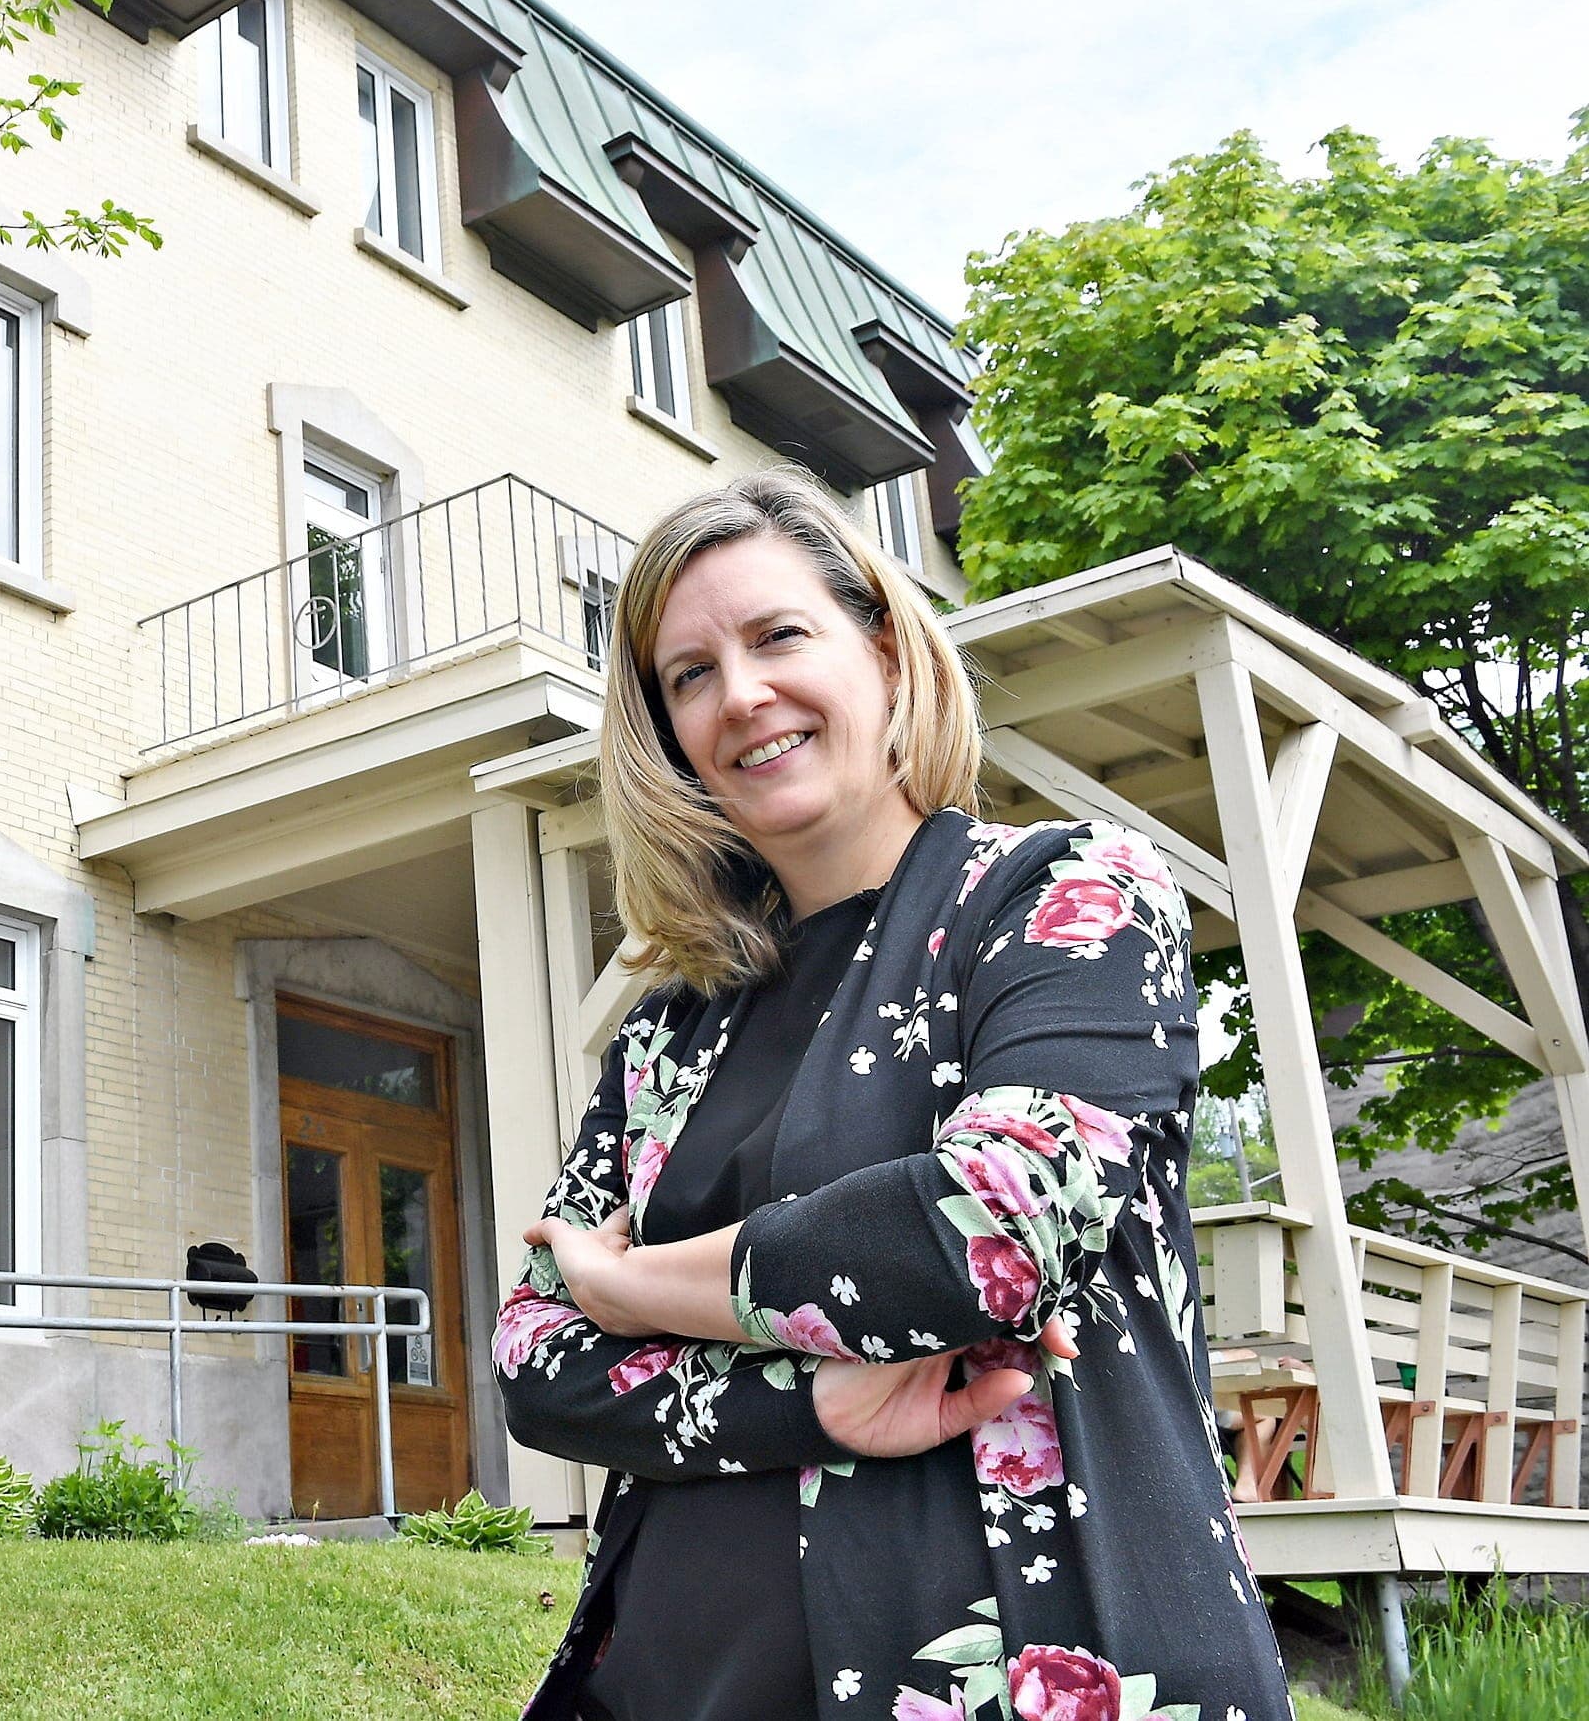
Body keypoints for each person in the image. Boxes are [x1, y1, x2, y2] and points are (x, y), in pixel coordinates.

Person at [494, 471, 1294, 1721]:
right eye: (690, 675)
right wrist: (815, 1400)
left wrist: (635, 1288)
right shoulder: (671, 1027)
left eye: (778, 636)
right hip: (669, 1681)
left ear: (881, 648)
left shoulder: (1064, 896)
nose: (740, 696)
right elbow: (536, 1359)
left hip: (1035, 1660)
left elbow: (990, 1228)